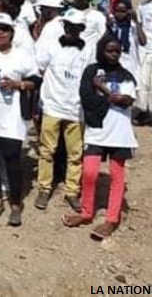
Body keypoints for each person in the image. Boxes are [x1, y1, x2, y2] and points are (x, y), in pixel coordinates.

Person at [63, 35, 138, 240]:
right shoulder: (91, 71)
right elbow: (87, 99)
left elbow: (127, 101)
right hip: (97, 129)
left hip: (119, 132)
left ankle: (112, 219)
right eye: (109, 50)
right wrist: (111, 97)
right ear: (100, 51)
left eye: (117, 51)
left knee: (117, 176)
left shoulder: (126, 76)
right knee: (89, 172)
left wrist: (102, 90)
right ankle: (87, 212)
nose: (114, 54)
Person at [0, 14, 39, 226]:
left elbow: (35, 81)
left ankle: (16, 204)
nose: (1, 33)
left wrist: (18, 84)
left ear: (12, 32)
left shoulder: (22, 55)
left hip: (13, 115)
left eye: (4, 28)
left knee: (13, 159)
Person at [35, 10, 93, 211]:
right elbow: (40, 69)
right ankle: (44, 188)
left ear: (81, 29)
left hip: (75, 109)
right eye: (67, 25)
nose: (70, 30)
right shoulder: (51, 46)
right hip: (52, 106)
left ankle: (71, 191)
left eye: (75, 27)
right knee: (47, 150)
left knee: (75, 154)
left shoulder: (88, 51)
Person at [108, 1, 144, 83]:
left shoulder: (132, 27)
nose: (119, 14)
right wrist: (108, 27)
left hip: (131, 65)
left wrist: (136, 22)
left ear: (128, 12)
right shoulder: (112, 26)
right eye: (117, 11)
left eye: (122, 11)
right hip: (114, 65)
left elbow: (143, 42)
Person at [136, 0, 152, 125]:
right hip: (145, 49)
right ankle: (144, 110)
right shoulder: (142, 6)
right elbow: (139, 25)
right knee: (144, 81)